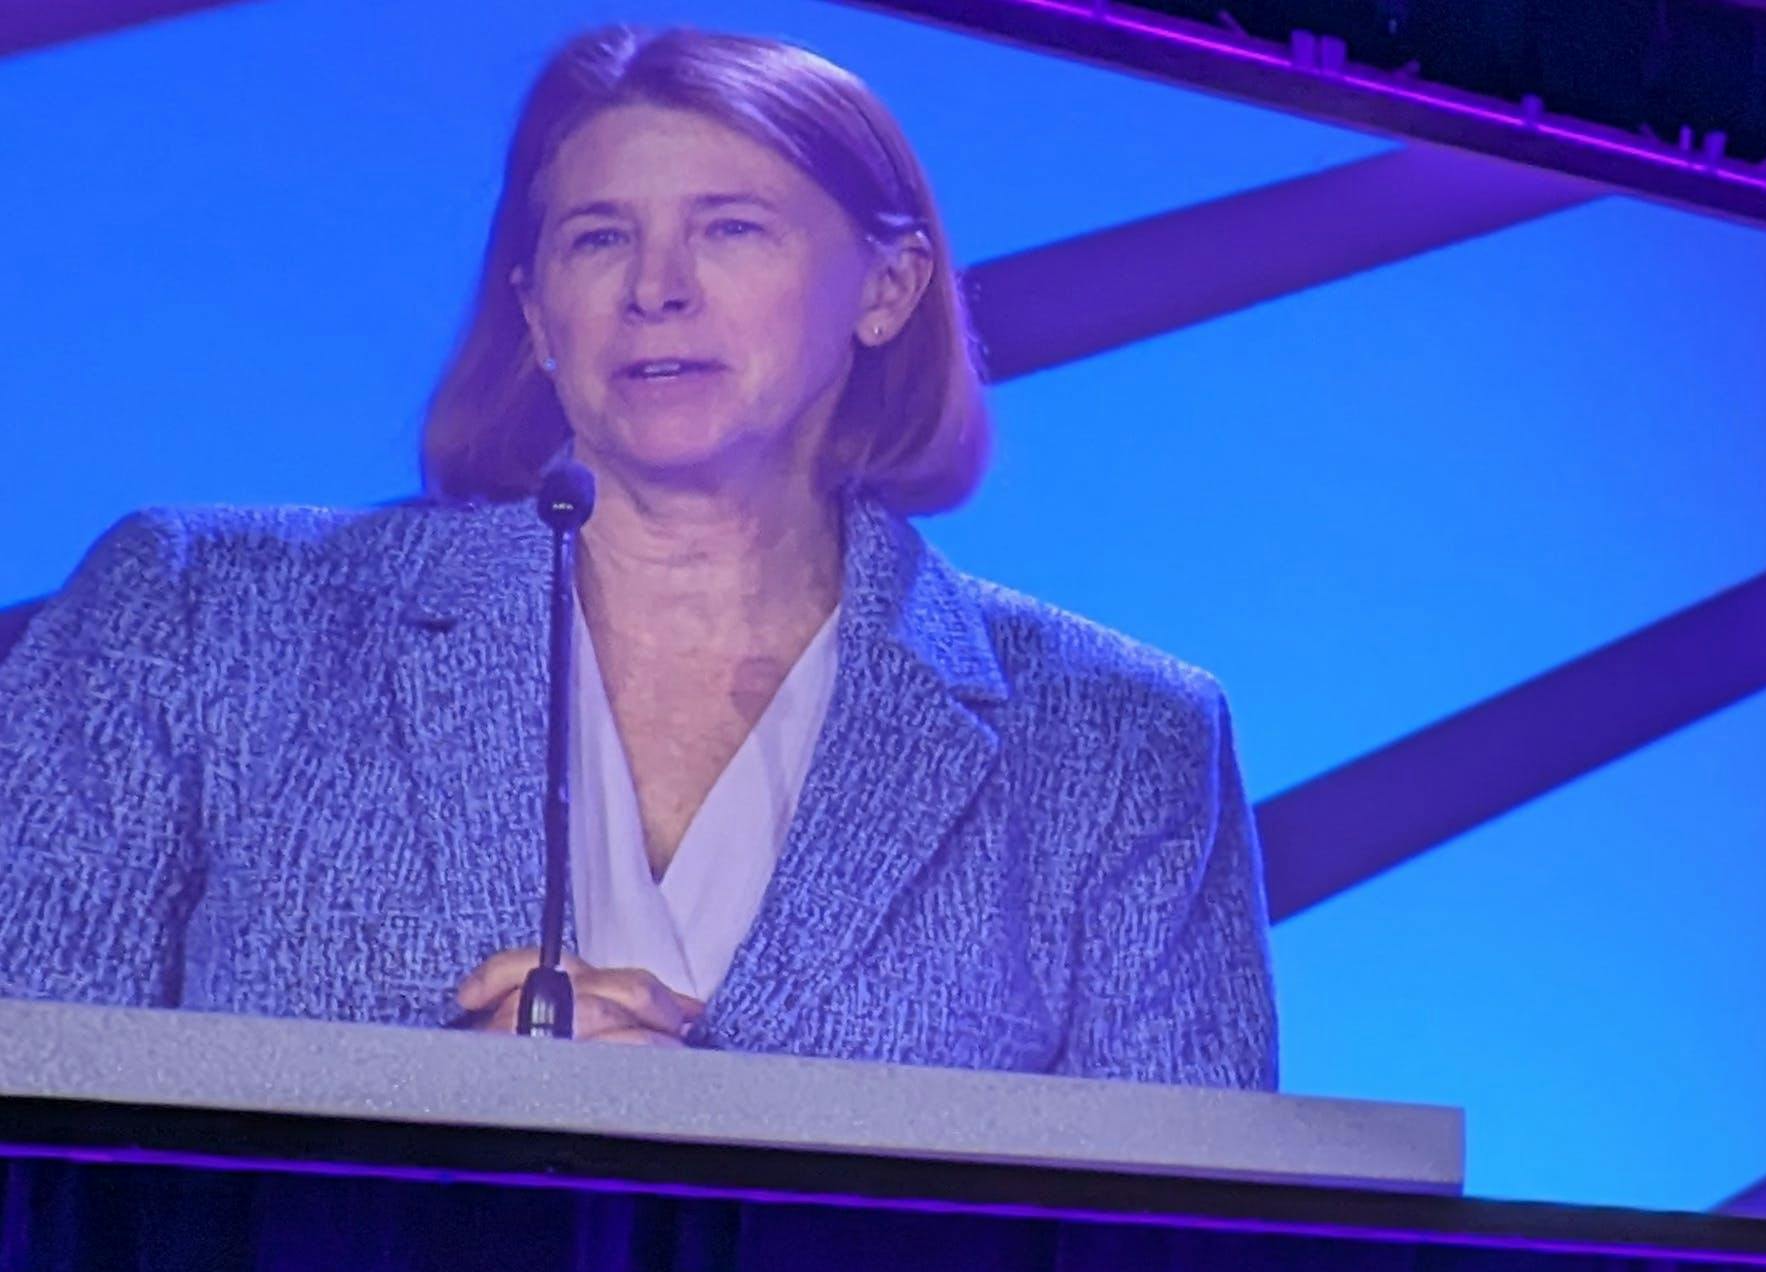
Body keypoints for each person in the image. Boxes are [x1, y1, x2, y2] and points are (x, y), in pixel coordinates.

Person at [0, 27, 1276, 1089]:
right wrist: (409, 1110)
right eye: (599, 237)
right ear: (536, 312)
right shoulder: (197, 619)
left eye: (732, 230)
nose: (656, 289)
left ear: (885, 292)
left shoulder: (1122, 748)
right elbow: (32, 1124)